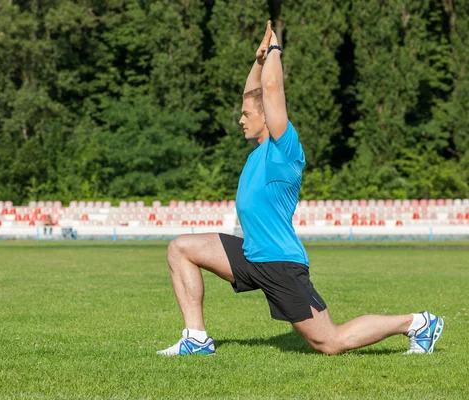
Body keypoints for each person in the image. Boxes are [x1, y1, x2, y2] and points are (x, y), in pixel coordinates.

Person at [157, 20, 444, 356]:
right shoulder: (260, 149)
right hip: (251, 253)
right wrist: (260, 59)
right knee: (181, 248)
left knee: (330, 342)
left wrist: (276, 51)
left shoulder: (284, 148)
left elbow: (272, 92)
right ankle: (196, 339)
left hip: (280, 261)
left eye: (246, 114)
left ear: (266, 117)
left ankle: (418, 323)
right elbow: (254, 93)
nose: (240, 119)